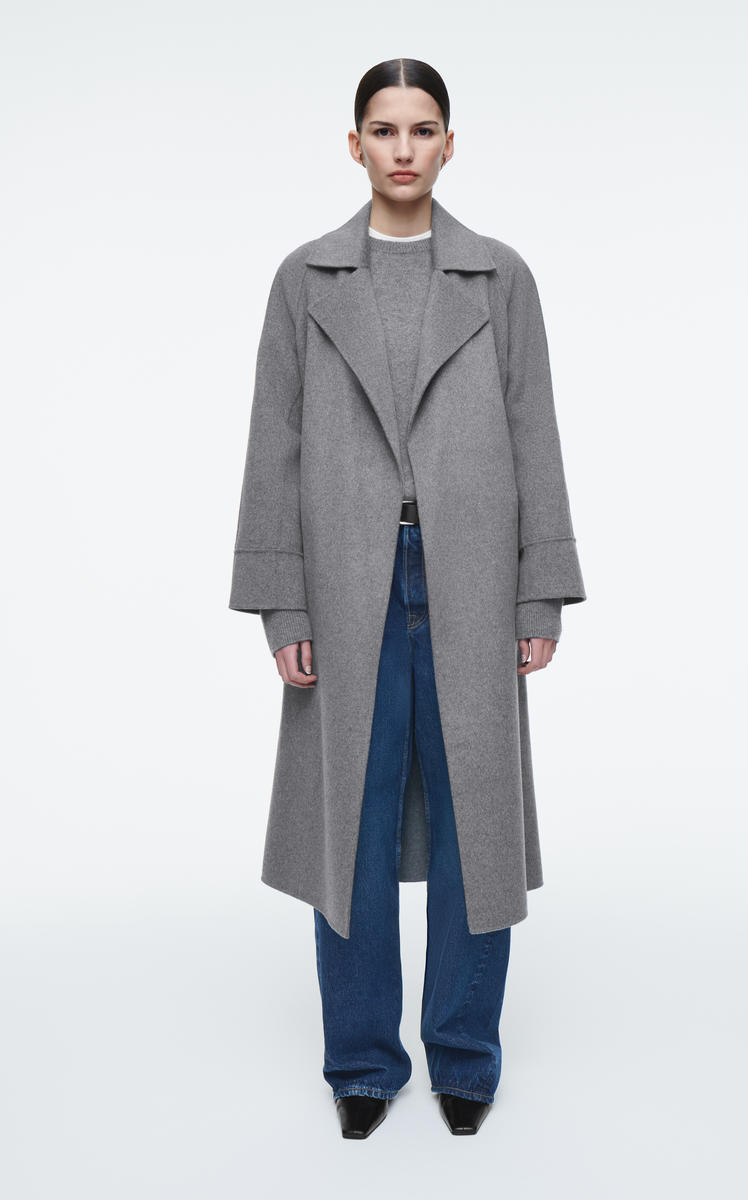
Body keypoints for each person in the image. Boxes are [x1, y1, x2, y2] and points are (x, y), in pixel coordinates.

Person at [229, 58, 587, 1140]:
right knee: (351, 822)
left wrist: (540, 592)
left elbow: (532, 429)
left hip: (472, 575)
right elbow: (274, 444)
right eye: (382, 130)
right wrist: (283, 607)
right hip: (345, 581)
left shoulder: (498, 276)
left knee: (478, 820)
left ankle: (464, 1055)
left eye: (421, 129)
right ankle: (361, 1062)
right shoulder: (305, 279)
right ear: (354, 145)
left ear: (448, 144)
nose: (401, 148)